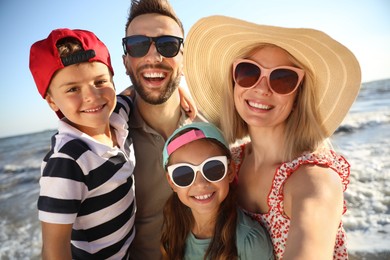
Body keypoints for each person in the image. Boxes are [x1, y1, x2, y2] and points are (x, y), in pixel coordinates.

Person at [183, 15, 362, 259]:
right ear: (233, 82)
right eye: (248, 72)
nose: (262, 88)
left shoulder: (315, 180)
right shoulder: (227, 164)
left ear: (298, 95)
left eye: (282, 79)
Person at [29, 28, 136, 259]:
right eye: (73, 89)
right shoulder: (67, 162)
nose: (92, 96)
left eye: (100, 81)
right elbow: (54, 251)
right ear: (51, 101)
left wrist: (178, 88)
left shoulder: (118, 115)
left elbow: (131, 93)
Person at [121, 0, 204, 258]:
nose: (153, 57)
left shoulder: (213, 127)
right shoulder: (109, 138)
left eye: (168, 45)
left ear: (184, 57)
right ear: (126, 62)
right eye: (138, 45)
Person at [161, 122, 274, 260]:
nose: (201, 184)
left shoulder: (249, 242)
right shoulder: (175, 228)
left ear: (230, 171)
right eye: (184, 174)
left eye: (212, 168)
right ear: (172, 182)